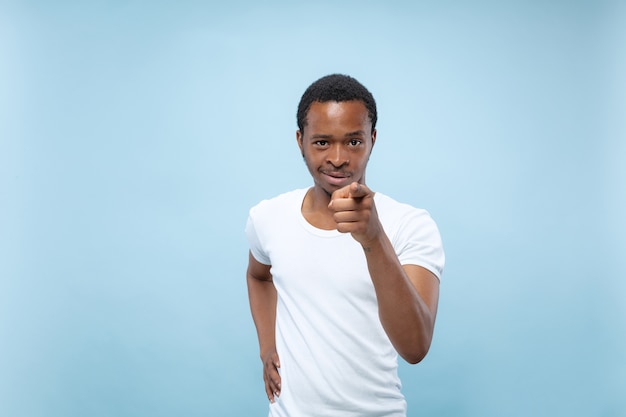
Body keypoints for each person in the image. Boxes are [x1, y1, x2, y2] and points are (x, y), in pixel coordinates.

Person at [245, 74, 445, 417]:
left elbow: (415, 347)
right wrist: (267, 348)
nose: (338, 158)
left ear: (373, 139)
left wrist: (373, 238)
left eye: (353, 142)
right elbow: (259, 277)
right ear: (300, 141)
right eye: (322, 142)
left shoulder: (409, 225)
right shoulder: (268, 217)